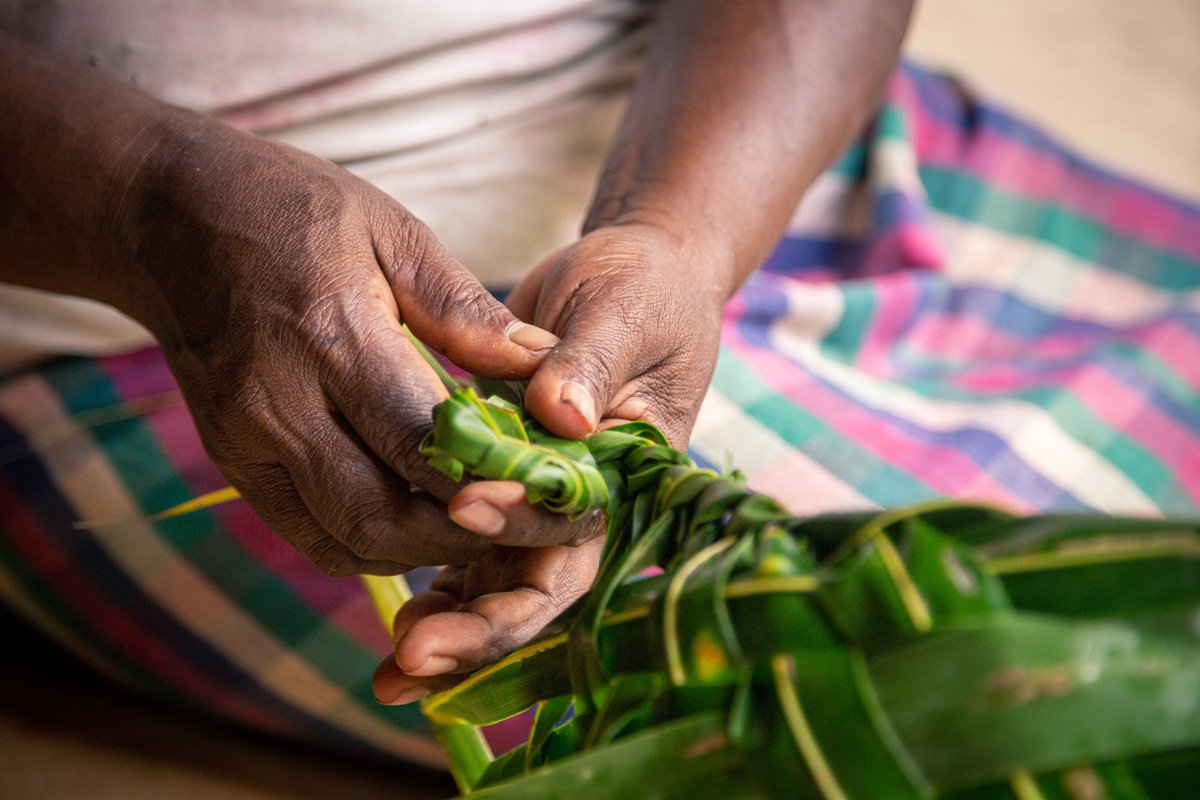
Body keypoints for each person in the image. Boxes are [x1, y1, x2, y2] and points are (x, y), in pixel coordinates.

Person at [4, 0, 1198, 766]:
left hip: (748, 136)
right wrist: (149, 201)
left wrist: (681, 230)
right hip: (173, 331)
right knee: (979, 689)